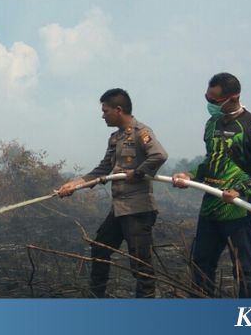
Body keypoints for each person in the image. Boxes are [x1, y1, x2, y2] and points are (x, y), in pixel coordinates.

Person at [172, 73, 251, 298]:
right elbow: (212, 161)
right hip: (211, 207)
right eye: (207, 98)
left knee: (243, 271)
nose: (209, 105)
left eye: (214, 101)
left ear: (233, 97)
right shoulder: (212, 123)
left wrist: (240, 190)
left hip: (239, 210)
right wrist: (190, 176)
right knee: (200, 266)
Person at [57, 88, 168, 298]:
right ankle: (97, 298)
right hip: (119, 209)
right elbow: (102, 170)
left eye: (105, 110)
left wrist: (137, 173)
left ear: (118, 110)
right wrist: (74, 185)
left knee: (140, 265)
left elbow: (159, 155)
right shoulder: (115, 138)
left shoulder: (141, 132)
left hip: (137, 210)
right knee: (100, 249)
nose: (102, 115)